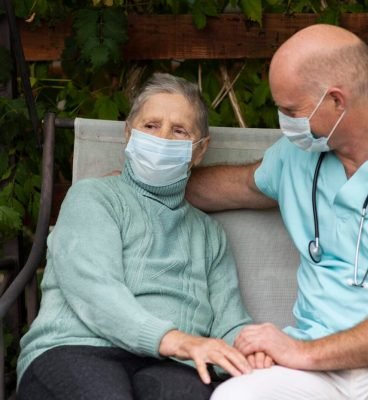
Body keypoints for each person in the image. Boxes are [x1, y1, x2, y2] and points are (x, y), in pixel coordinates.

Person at [185, 25, 368, 399]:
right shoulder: (296, 157)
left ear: (336, 101)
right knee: (236, 396)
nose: (285, 123)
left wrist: (300, 352)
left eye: (290, 110)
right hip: (313, 371)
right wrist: (140, 182)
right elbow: (237, 186)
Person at [16, 73, 255, 400]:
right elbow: (94, 289)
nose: (163, 139)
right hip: (80, 347)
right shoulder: (93, 197)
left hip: (173, 364)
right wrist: (176, 340)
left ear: (199, 151)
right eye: (151, 126)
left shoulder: (209, 233)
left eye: (179, 130)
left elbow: (230, 322)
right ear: (129, 133)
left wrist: (252, 350)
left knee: (184, 394)